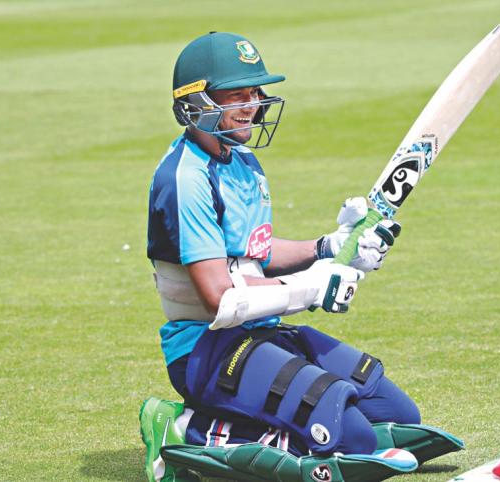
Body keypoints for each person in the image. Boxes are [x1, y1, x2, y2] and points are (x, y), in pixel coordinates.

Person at [145, 31, 420, 460]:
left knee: (397, 415)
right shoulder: (185, 179)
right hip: (208, 350)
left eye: (254, 92)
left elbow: (257, 252)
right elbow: (219, 297)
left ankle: (262, 420)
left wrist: (330, 247)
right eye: (236, 95)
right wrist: (311, 288)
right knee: (352, 440)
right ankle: (183, 429)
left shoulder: (243, 161)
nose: (252, 105)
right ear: (196, 104)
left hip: (260, 333)